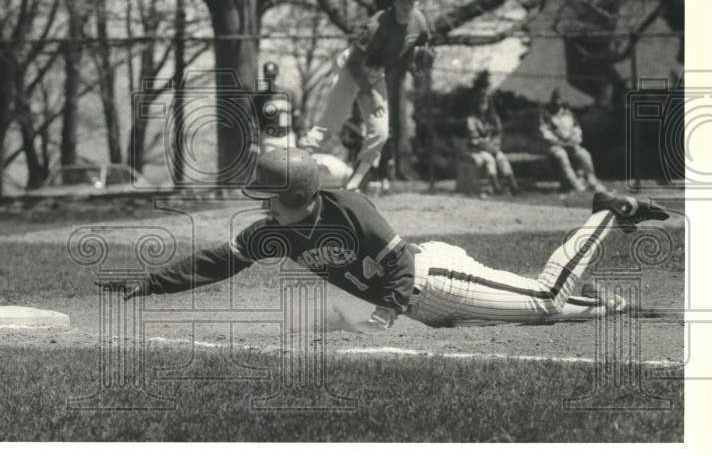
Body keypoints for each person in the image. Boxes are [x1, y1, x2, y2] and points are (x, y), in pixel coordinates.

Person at [96, 148, 669, 329]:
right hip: (426, 305)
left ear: (297, 194)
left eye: (269, 195)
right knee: (543, 311)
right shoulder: (274, 233)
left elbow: (397, 267)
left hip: (435, 281)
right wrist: (149, 284)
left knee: (543, 299)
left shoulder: (349, 207)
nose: (262, 204)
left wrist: (385, 314)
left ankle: (606, 213)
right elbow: (216, 262)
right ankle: (617, 306)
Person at [300, 0, 435, 192]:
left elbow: (423, 42)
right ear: (395, 2)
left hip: (376, 71)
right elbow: (355, 64)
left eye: (411, 0)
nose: (406, 5)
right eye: (402, 0)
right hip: (352, 69)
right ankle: (293, 165)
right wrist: (373, 95)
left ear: (416, 2)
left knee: (380, 133)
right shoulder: (376, 26)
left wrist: (418, 57)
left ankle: (354, 184)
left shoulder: (419, 20)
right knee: (332, 123)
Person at [540, 89, 600, 192]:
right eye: (556, 100)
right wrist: (558, 141)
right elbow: (545, 132)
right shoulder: (546, 115)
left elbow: (577, 129)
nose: (558, 104)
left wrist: (574, 139)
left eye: (560, 101)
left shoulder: (569, 114)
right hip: (555, 145)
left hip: (571, 144)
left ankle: (592, 181)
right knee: (561, 156)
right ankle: (574, 182)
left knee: (585, 155)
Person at [466, 90, 519, 195]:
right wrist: (488, 146)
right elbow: (474, 138)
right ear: (476, 105)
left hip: (491, 147)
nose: (483, 106)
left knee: (501, 158)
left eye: (485, 103)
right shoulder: (471, 119)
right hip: (477, 149)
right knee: (489, 159)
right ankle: (496, 187)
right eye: (481, 103)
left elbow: (497, 135)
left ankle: (513, 186)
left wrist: (494, 146)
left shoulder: (491, 118)